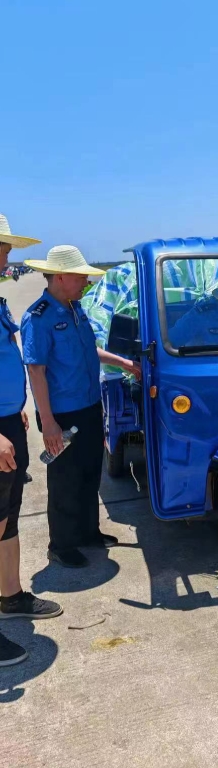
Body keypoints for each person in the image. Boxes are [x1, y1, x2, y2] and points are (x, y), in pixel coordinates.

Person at [21, 246, 141, 569]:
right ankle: (61, 544)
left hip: (89, 406)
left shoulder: (76, 310)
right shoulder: (39, 317)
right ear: (61, 277)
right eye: (80, 277)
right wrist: (49, 423)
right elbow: (36, 371)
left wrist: (125, 364)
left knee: (90, 472)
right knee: (65, 480)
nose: (86, 283)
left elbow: (90, 351)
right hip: (62, 413)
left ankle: (88, 532)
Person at [0, 215, 62, 668]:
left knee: (8, 518)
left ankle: (10, 596)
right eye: (2, 250)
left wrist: (13, 406)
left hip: (8, 420)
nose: (7, 259)